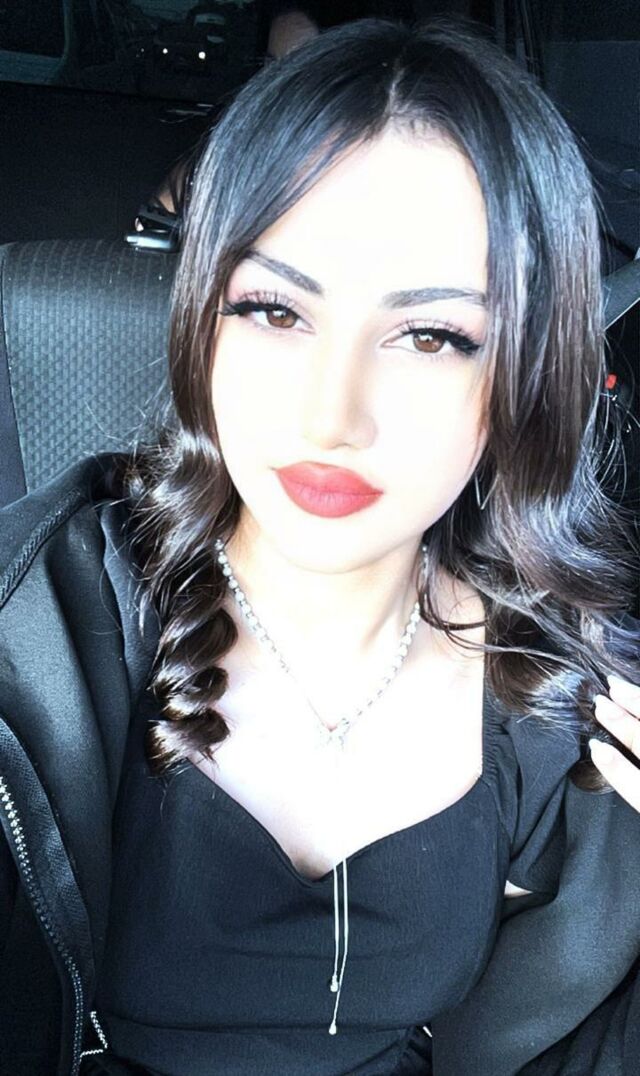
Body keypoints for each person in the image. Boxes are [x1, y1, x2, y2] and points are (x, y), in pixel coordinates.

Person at [1, 16, 640, 1076]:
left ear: (525, 371)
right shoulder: (38, 629)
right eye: (274, 311)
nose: (329, 415)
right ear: (203, 316)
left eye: (429, 335)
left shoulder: (562, 700)